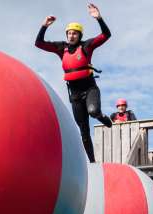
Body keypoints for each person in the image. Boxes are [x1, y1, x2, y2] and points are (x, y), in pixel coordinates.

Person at [35, 3, 112, 163]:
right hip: (75, 95)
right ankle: (92, 162)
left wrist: (99, 18)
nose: (71, 36)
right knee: (83, 131)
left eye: (74, 34)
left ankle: (101, 116)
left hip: (90, 89)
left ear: (79, 35)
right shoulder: (60, 48)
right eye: (69, 33)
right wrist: (44, 26)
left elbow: (106, 35)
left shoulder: (86, 46)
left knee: (92, 111)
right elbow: (39, 43)